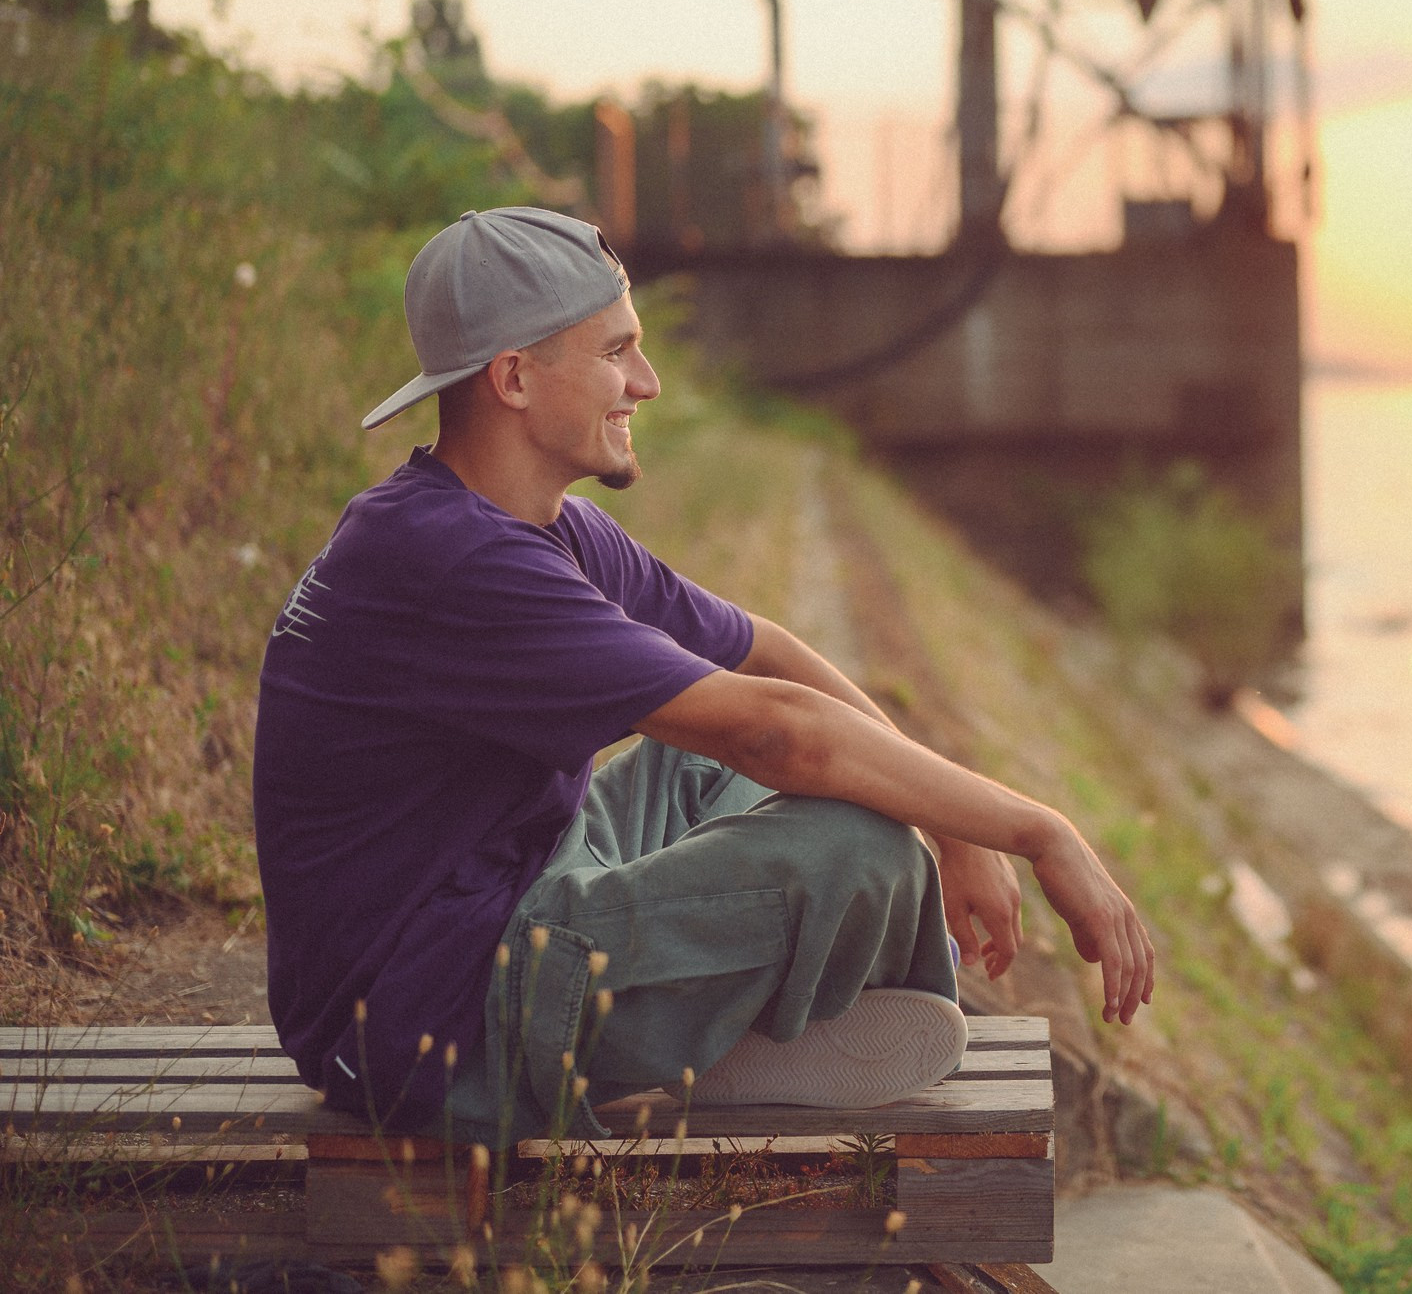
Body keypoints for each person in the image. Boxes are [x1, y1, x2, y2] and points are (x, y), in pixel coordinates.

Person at [252, 206, 1153, 1144]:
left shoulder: (530, 520)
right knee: (857, 845)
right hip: (428, 1026)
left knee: (767, 777)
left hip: (515, 880)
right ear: (514, 377)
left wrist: (957, 831)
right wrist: (1036, 830)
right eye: (616, 353)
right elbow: (777, 730)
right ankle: (713, 1048)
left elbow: (758, 647)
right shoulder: (452, 560)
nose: (646, 381)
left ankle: (721, 1029)